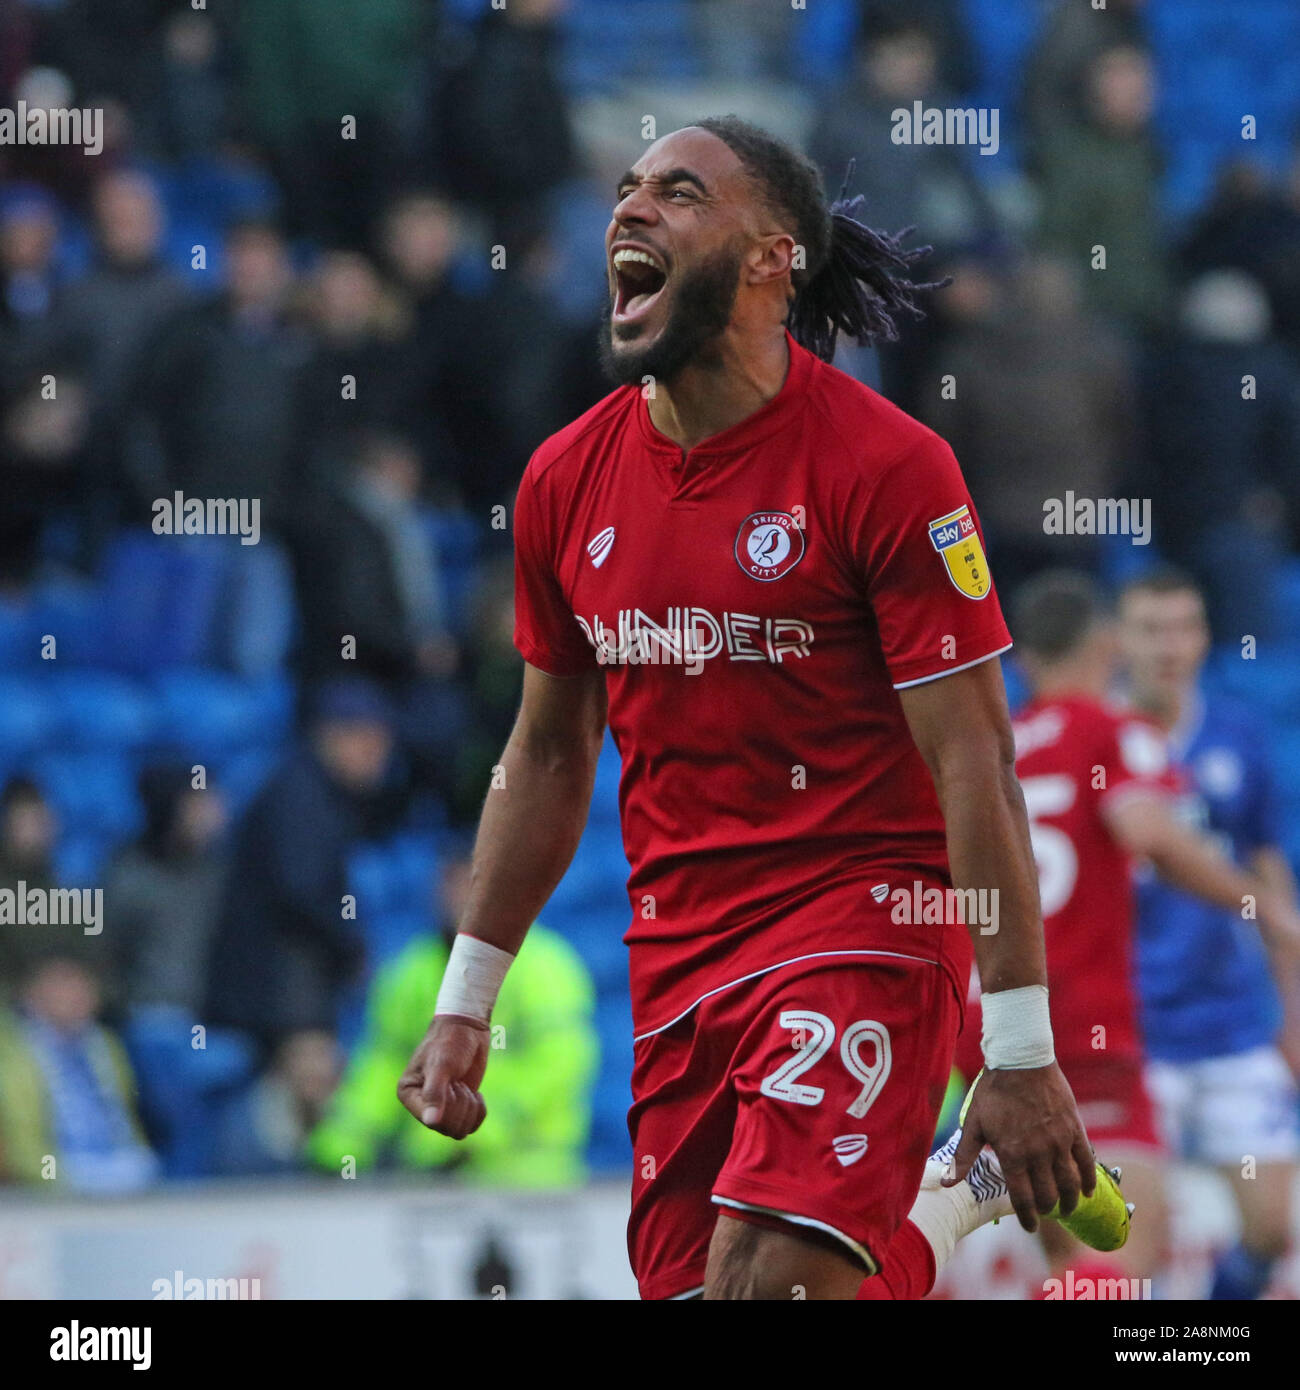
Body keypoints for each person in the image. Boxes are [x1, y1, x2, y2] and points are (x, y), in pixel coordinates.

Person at [397, 117, 1126, 1301]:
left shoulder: (888, 469)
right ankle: (954, 1197)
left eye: (678, 193)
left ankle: (946, 1183)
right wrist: (465, 1000)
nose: (630, 210)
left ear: (770, 258)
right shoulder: (561, 483)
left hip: (866, 920)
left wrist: (1022, 1050)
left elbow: (977, 765)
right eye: (627, 190)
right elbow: (542, 754)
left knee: (770, 1280)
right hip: (681, 950)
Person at [954, 572, 1300, 1289]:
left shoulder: (993, 751)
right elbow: (1146, 830)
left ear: (1020, 665)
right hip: (1082, 1029)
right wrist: (1266, 908)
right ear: (1110, 645)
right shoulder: (1112, 730)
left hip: (985, 1024)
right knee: (1124, 1254)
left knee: (1068, 1249)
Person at [1120, 567, 1300, 1300]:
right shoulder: (1094, 739)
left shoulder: (1236, 736)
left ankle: (1211, 1336)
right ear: (1119, 641)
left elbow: (1271, 881)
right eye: (1151, 629)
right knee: (1139, 1243)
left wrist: (1291, 1015)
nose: (1169, 646)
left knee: (1269, 1231)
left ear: (1204, 639)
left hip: (1232, 1024)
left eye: (1184, 628)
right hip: (1133, 1031)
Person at [308, 855, 597, 1185]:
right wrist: (345, 1143)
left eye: (472, 885)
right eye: (451, 885)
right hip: (436, 1171)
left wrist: (481, 1130)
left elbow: (562, 1064)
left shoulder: (544, 966)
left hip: (531, 1172)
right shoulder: (411, 973)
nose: (459, 897)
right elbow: (384, 1067)